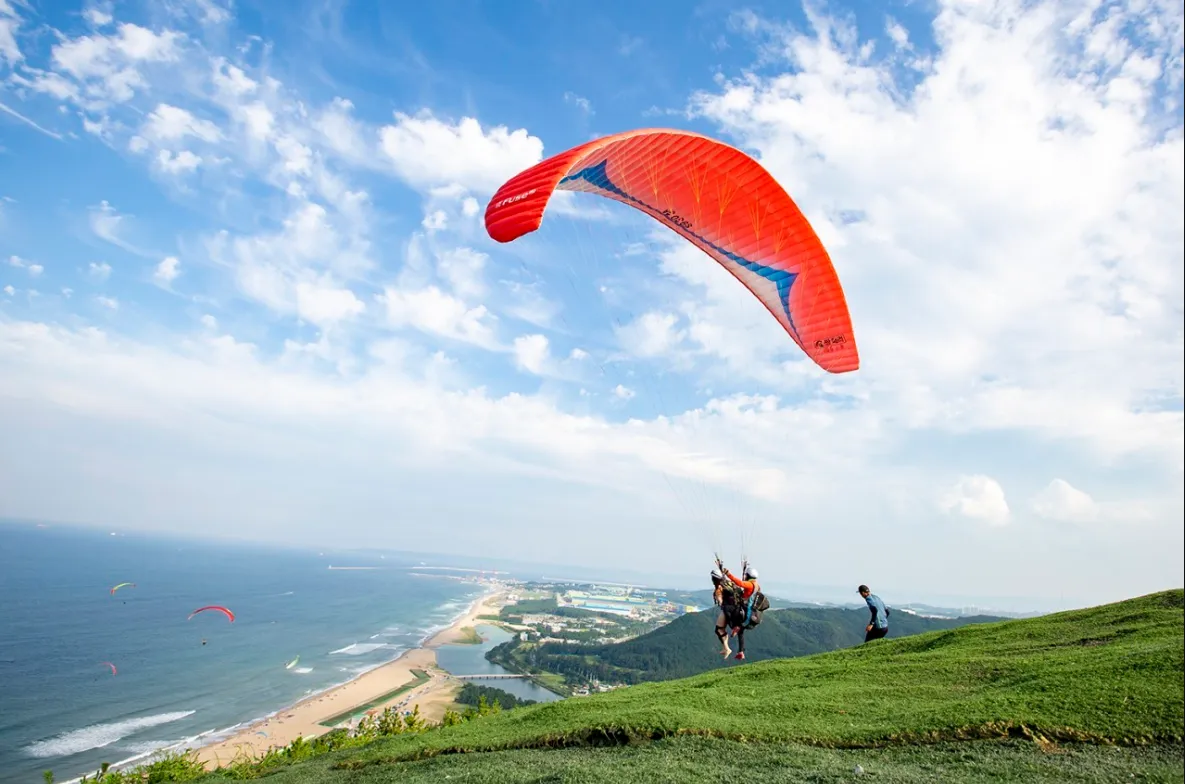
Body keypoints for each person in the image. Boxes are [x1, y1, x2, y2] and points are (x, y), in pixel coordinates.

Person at [720, 560, 760, 660]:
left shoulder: (750, 585)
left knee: (726, 608)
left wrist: (728, 574)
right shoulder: (756, 585)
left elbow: (740, 583)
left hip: (744, 610)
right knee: (741, 632)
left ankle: (735, 626)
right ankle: (741, 652)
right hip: (750, 612)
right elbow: (745, 587)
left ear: (749, 576)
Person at [711, 569, 741, 658]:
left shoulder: (719, 588)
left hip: (727, 610)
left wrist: (720, 600)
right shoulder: (730, 583)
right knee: (720, 629)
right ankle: (725, 648)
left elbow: (720, 601)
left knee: (719, 629)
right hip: (737, 608)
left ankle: (726, 648)